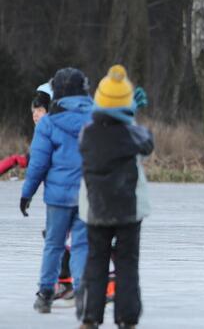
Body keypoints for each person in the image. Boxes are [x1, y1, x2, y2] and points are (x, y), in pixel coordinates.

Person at [77, 65, 153, 329]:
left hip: (96, 210)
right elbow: (147, 144)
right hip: (128, 211)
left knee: (95, 262)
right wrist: (132, 115)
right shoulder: (131, 134)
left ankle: (90, 317)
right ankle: (127, 318)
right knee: (127, 265)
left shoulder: (87, 134)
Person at [20, 68, 92, 313]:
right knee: (82, 244)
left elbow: (38, 164)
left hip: (58, 197)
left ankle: (46, 292)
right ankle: (82, 289)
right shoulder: (96, 119)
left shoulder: (48, 124)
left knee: (54, 243)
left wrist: (27, 193)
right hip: (87, 194)